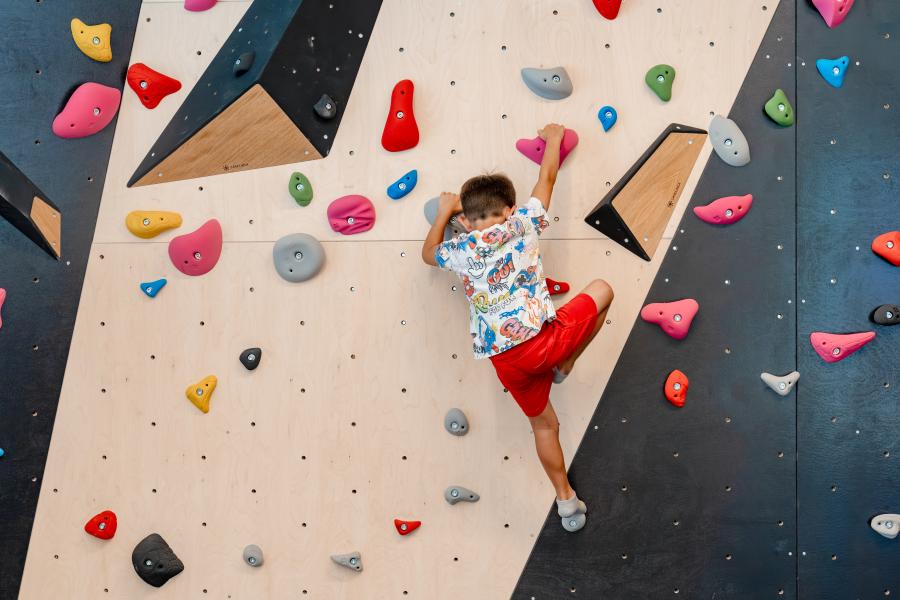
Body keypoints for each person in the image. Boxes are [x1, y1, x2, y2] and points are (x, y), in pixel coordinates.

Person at [421, 123, 615, 532]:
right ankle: (566, 364)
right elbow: (547, 180)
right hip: (543, 343)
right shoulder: (521, 223)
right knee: (603, 290)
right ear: (509, 208)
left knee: (544, 425)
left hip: (506, 363)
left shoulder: (461, 247)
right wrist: (554, 139)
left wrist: (442, 214)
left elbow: (428, 254)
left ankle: (566, 501)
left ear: (467, 220)